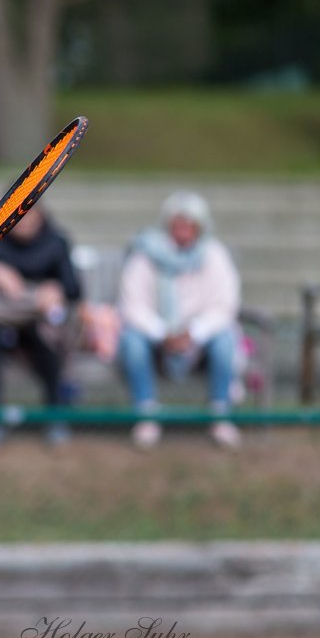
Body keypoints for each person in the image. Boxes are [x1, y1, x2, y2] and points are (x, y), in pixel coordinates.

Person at [116, 191, 242, 450]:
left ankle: (220, 416)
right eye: (178, 224)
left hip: (200, 339)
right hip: (155, 338)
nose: (183, 231)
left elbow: (224, 305)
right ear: (168, 225)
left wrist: (194, 332)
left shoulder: (214, 255)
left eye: (190, 225)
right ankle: (146, 415)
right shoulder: (145, 255)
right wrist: (162, 332)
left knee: (226, 339)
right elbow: (132, 304)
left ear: (200, 227)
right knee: (131, 341)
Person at [0, 206, 81, 444]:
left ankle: (55, 415)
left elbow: (73, 287)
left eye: (32, 216)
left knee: (51, 336)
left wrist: (55, 289)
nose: (26, 223)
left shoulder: (55, 241)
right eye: (21, 217)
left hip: (36, 323)